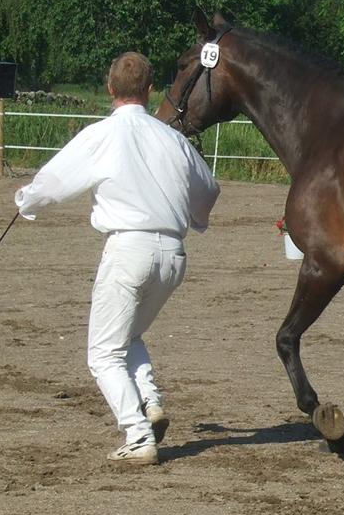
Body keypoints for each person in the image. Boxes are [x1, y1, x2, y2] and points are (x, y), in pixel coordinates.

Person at [14, 51, 220, 465]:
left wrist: (26, 202)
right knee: (129, 337)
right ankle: (150, 401)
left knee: (103, 353)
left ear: (110, 89)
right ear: (148, 91)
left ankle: (138, 434)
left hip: (129, 250)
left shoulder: (101, 134)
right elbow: (209, 189)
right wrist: (196, 219)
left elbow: (55, 180)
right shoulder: (173, 138)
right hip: (174, 255)